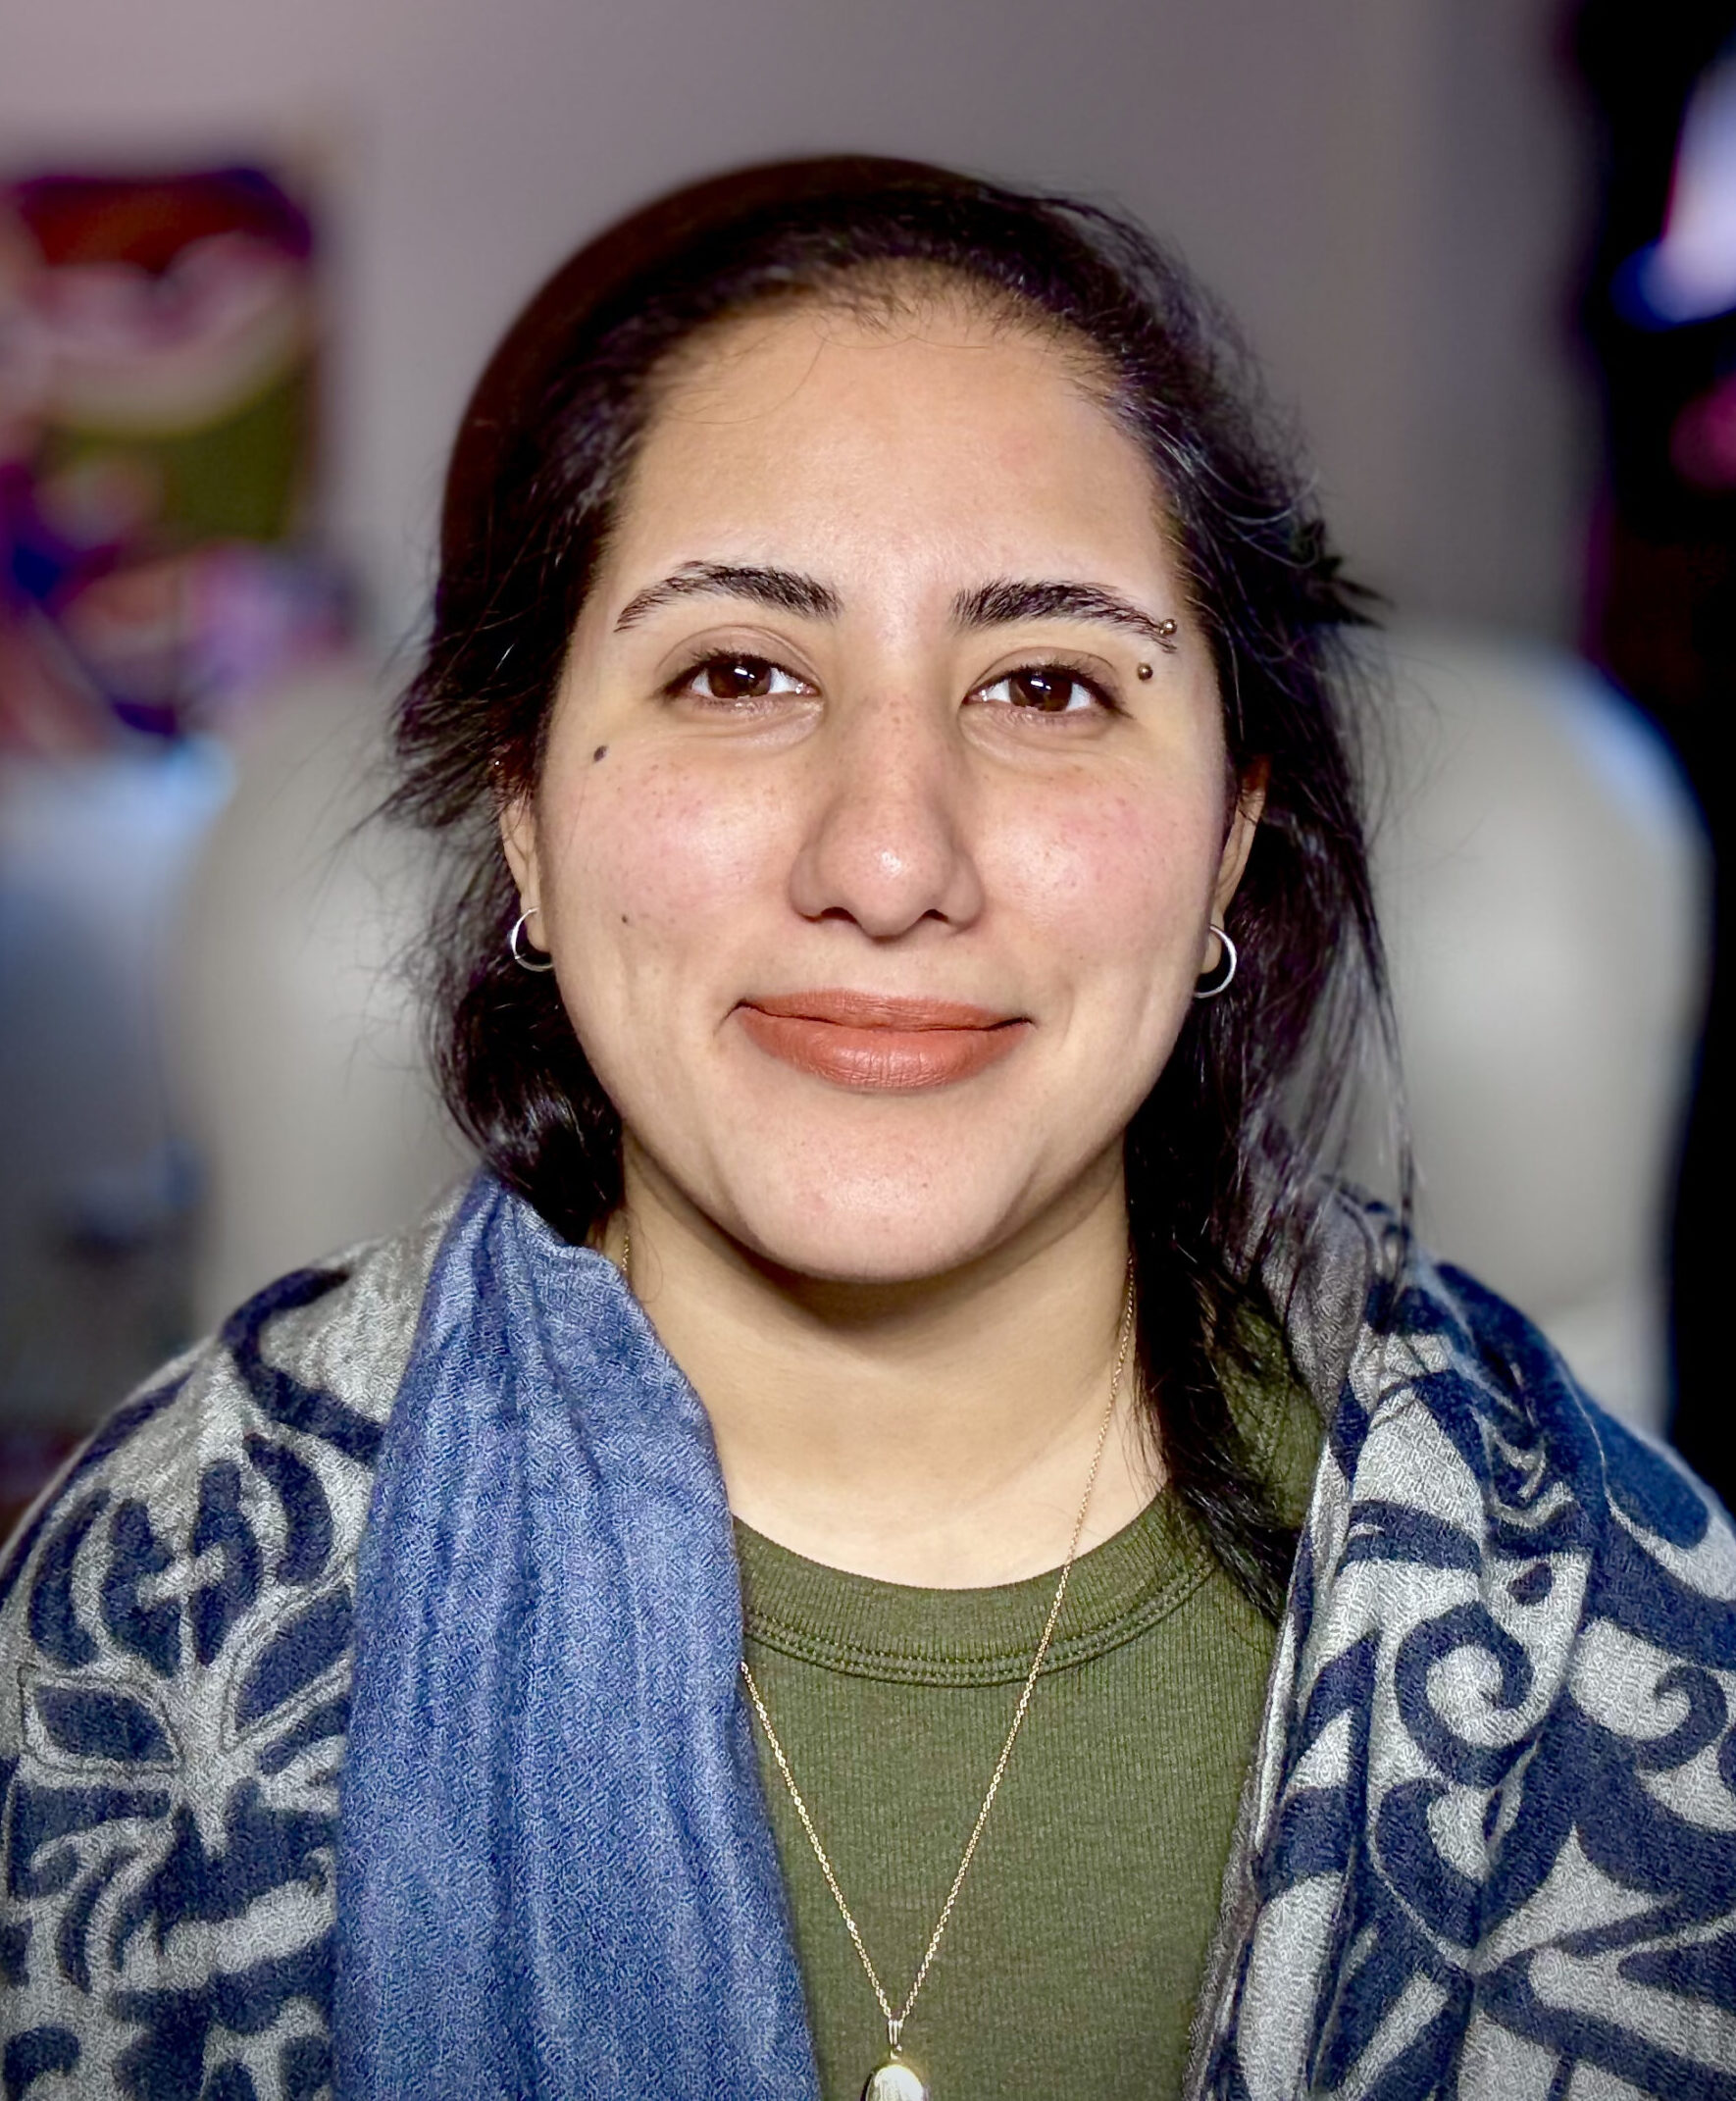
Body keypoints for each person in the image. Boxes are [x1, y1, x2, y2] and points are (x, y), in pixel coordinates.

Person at [2, 157, 1732, 2101]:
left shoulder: (1627, 1640)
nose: (891, 860)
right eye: (739, 673)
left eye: (1048, 685)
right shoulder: (151, 1617)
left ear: (1227, 842)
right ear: (527, 823)